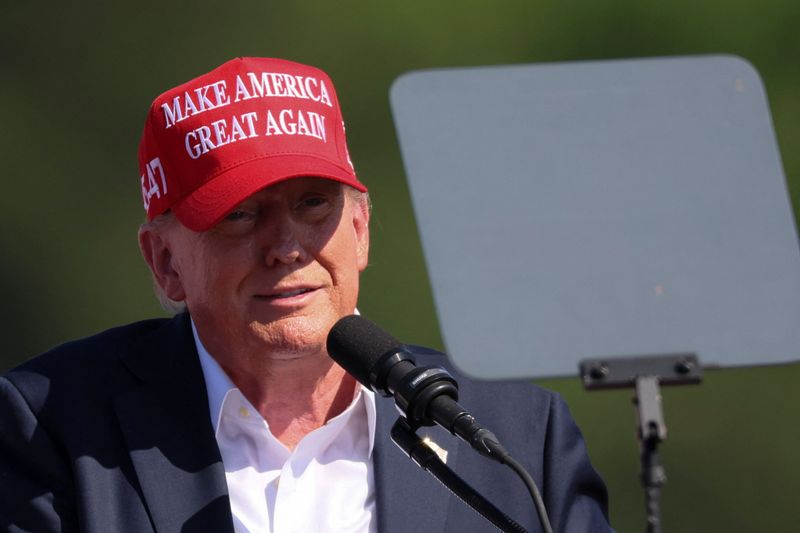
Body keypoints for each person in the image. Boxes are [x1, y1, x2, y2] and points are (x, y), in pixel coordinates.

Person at [0, 57, 612, 532]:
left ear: (361, 230)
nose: (286, 248)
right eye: (240, 215)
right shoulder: (51, 424)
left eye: (313, 204)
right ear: (166, 263)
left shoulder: (515, 437)